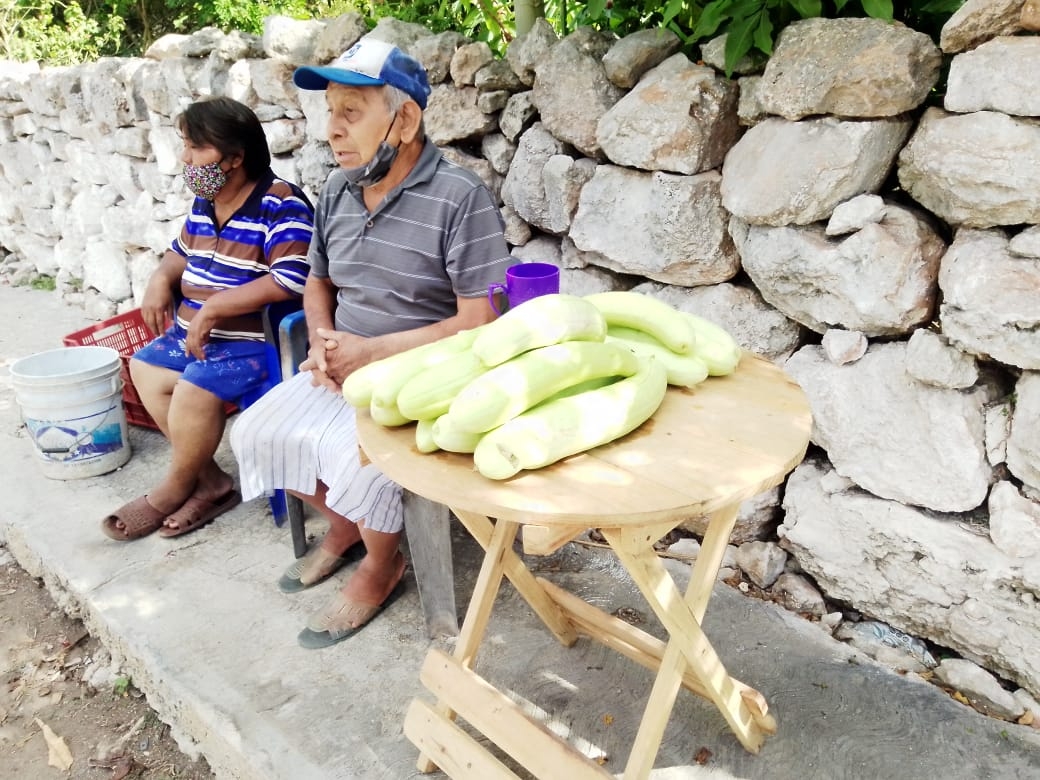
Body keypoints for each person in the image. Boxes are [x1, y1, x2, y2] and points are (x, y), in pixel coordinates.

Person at [229, 39, 513, 649]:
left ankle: (384, 563)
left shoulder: (461, 199)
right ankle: (346, 527)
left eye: (351, 112)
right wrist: (324, 341)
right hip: (344, 360)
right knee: (254, 433)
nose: (332, 130)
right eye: (330, 111)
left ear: (404, 120)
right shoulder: (336, 190)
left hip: (423, 373)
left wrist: (373, 353)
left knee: (355, 466)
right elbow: (316, 280)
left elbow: (481, 320)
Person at [101, 96, 315, 542]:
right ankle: (211, 482)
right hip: (199, 336)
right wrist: (161, 278)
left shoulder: (281, 204)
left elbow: (292, 279)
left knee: (195, 386)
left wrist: (215, 307)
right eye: (186, 145)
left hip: (256, 343)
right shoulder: (205, 201)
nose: (185, 158)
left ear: (236, 157)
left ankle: (174, 487)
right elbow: (179, 255)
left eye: (197, 148)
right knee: (145, 366)